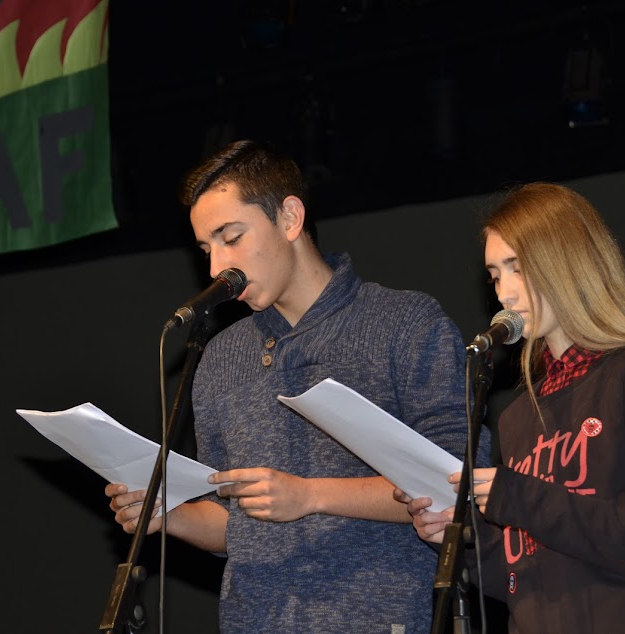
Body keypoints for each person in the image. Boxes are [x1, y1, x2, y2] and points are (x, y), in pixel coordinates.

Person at [105, 139, 489, 633]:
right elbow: (234, 523)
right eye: (206, 249)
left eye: (231, 237)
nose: (216, 268)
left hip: (380, 617)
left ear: (289, 217)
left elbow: (458, 483)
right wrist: (168, 514)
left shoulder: (403, 323)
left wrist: (310, 495)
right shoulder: (220, 358)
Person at [395, 182, 625, 633]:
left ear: (566, 262)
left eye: (517, 268)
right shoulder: (517, 418)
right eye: (495, 275)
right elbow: (526, 578)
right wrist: (461, 542)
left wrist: (523, 498)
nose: (504, 293)